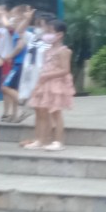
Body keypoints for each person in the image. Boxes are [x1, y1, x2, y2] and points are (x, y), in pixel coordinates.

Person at [23, 19, 74, 152]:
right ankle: (40, 139)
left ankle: (58, 141)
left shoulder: (64, 51)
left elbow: (65, 70)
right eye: (46, 32)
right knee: (41, 111)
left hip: (56, 84)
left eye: (50, 32)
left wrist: (48, 75)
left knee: (56, 113)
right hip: (44, 83)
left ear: (59, 34)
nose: (46, 35)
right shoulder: (47, 50)